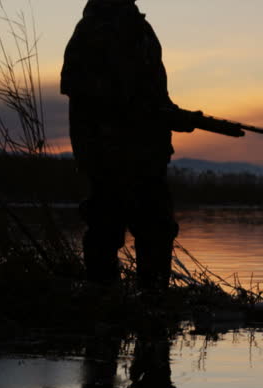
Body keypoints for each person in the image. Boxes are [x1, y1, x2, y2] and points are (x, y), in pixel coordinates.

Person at [61, 0, 194, 293]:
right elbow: (79, 86)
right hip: (107, 153)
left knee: (157, 230)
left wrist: (176, 115)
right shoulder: (92, 29)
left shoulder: (142, 29)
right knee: (106, 229)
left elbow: (155, 95)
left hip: (149, 154)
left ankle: (153, 305)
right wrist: (147, 110)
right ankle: (104, 303)